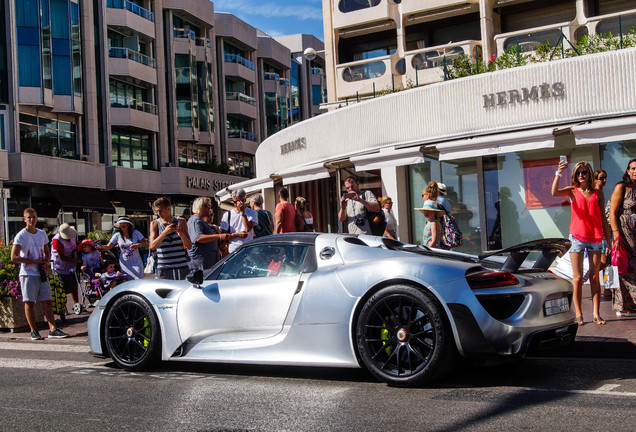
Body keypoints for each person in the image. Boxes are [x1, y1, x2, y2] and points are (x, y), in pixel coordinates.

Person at [552, 160, 611, 326]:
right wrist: (558, 173)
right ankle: (578, 314)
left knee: (594, 277)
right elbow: (554, 192)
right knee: (577, 278)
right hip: (577, 237)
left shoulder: (598, 193)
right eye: (578, 173)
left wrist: (609, 239)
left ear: (589, 173)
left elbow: (603, 219)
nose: (581, 175)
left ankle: (596, 314)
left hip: (596, 238)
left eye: (584, 172)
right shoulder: (573, 190)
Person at [10, 208, 69, 340]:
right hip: (28, 273)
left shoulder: (42, 234)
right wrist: (32, 261)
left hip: (41, 272)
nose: (32, 219)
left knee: (47, 300)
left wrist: (46, 261)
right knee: (29, 302)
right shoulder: (21, 236)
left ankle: (52, 328)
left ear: (37, 218)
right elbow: (13, 257)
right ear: (24, 219)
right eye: (29, 217)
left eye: (34, 217)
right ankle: (33, 330)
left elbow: (47, 252)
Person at [609, 158, 636, 317]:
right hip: (624, 234)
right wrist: (616, 233)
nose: (635, 171)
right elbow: (613, 212)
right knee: (624, 268)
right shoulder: (622, 187)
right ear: (627, 170)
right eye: (632, 168)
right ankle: (623, 306)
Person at [149, 197, 192, 280]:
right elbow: (152, 246)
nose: (158, 213)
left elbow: (189, 245)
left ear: (168, 208)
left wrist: (180, 233)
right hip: (164, 267)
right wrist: (165, 233)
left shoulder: (181, 221)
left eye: (160, 211)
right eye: (157, 211)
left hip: (181, 266)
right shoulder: (155, 224)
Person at [187, 197, 229, 272]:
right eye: (207, 206)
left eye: (210, 206)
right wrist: (219, 236)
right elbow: (198, 238)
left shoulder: (200, 221)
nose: (209, 209)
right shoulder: (195, 220)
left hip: (208, 263)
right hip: (200, 265)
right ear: (199, 207)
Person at [99, 216, 148, 280]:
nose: (122, 225)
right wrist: (100, 246)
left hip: (136, 263)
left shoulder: (135, 233)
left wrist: (138, 245)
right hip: (124, 264)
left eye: (123, 223)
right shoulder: (117, 235)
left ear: (128, 224)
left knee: (138, 281)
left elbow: (146, 243)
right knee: (126, 282)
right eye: (120, 223)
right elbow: (108, 247)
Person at [50, 222, 83, 313]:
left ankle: (76, 303)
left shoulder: (72, 235)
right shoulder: (57, 240)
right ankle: (62, 306)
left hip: (72, 264)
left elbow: (78, 244)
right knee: (63, 287)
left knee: (74, 284)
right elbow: (62, 257)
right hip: (60, 265)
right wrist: (76, 261)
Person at [220, 189, 257, 254]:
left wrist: (242, 212)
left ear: (245, 200)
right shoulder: (227, 215)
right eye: (235, 202)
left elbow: (248, 228)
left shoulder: (252, 212)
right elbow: (224, 236)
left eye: (240, 201)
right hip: (233, 251)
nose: (238, 204)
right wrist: (237, 234)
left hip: (248, 249)